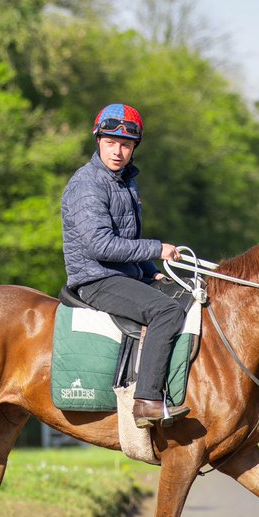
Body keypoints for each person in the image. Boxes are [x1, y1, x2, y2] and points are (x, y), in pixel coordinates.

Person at [60, 103, 190, 427]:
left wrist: (151, 271)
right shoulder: (87, 183)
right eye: (111, 142)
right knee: (167, 311)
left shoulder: (125, 182)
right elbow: (100, 245)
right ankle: (146, 401)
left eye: (126, 145)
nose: (118, 151)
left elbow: (127, 239)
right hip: (95, 279)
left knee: (186, 296)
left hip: (122, 274)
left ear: (134, 148)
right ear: (98, 141)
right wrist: (157, 248)